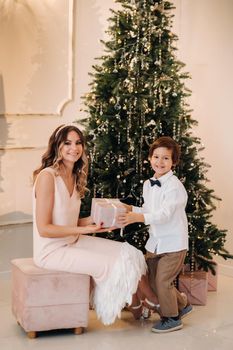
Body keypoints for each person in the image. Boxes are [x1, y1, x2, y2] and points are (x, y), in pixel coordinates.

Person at [32, 124, 159, 326]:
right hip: (51, 251)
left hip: (72, 240)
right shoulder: (47, 177)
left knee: (130, 252)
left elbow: (68, 222)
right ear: (57, 146)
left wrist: (97, 222)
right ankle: (154, 303)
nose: (74, 148)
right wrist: (84, 230)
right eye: (67, 143)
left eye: (78, 143)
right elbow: (44, 228)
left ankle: (142, 302)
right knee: (112, 265)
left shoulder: (75, 175)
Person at [117, 136, 193, 333]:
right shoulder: (148, 184)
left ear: (173, 162)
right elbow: (148, 209)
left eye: (166, 158)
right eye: (156, 157)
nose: (160, 162)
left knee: (162, 281)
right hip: (156, 243)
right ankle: (183, 304)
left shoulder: (175, 187)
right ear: (149, 158)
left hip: (174, 244)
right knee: (153, 280)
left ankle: (172, 318)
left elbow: (164, 214)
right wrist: (130, 208)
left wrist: (137, 218)